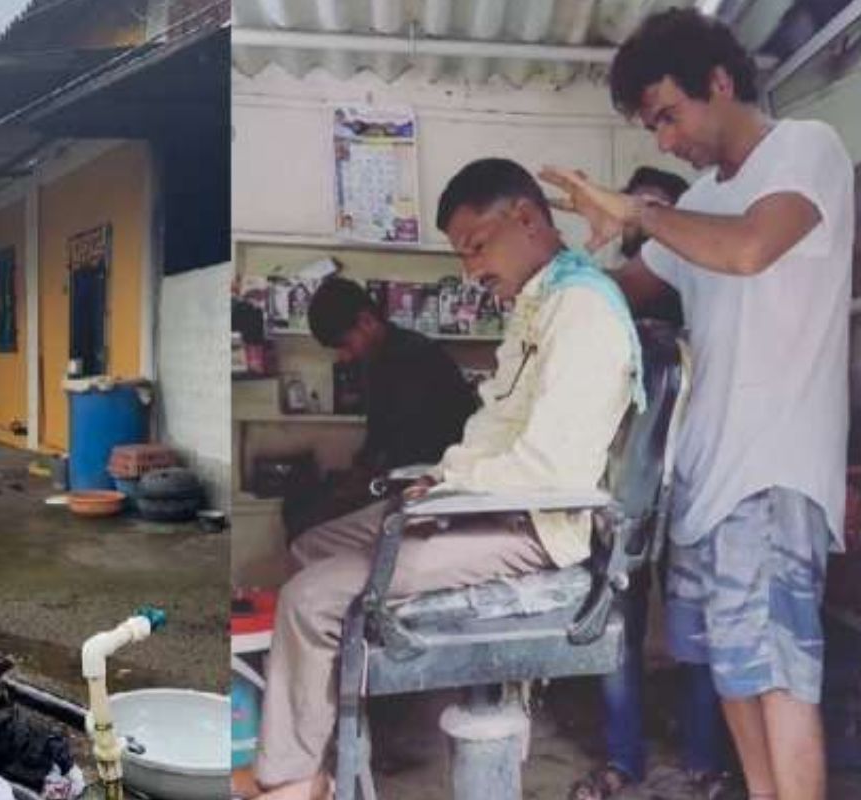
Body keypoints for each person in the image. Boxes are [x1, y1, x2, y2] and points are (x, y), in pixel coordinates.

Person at [246, 158, 640, 800]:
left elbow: (549, 470)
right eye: (463, 256)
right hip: (491, 503)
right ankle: (331, 740)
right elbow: (490, 434)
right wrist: (440, 480)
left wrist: (449, 491)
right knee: (309, 549)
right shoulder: (539, 307)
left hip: (535, 523)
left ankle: (292, 781)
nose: (473, 271)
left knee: (310, 598)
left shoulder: (582, 312)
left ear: (526, 218)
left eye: (478, 248)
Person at [542, 9, 855, 800]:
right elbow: (630, 286)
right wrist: (553, 268)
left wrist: (638, 211)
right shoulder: (707, 199)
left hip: (771, 472)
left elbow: (750, 247)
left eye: (668, 116)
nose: (664, 141)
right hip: (706, 483)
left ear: (720, 82)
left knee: (780, 681)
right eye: (653, 126)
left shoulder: (805, 151)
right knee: (734, 679)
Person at [570, 167, 741, 800]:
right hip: (629, 487)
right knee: (619, 621)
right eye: (638, 210)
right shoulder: (613, 304)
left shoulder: (709, 288)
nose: (646, 223)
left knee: (695, 629)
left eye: (659, 211)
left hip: (700, 478)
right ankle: (625, 758)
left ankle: (704, 763)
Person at [282, 277, 477, 534]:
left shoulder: (414, 358)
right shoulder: (377, 358)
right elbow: (380, 433)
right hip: (394, 473)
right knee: (297, 504)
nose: (344, 356)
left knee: (308, 521)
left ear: (366, 321)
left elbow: (410, 443)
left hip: (425, 480)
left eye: (344, 344)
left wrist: (361, 482)